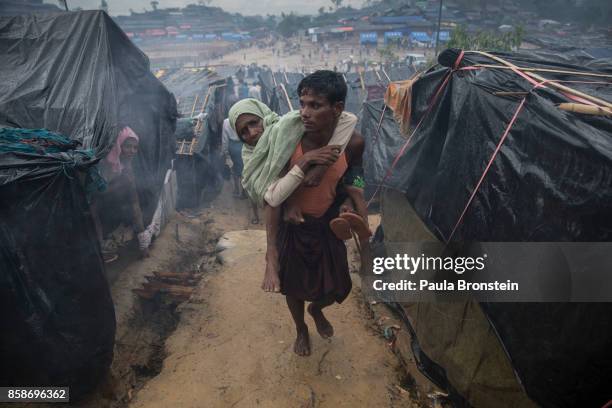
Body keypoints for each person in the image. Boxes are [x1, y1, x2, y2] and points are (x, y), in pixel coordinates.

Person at [231, 71, 370, 357]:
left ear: (338, 108)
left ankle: (317, 310)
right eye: (302, 103)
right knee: (292, 287)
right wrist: (289, 206)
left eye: (315, 105)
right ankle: (300, 329)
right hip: (292, 227)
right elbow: (274, 194)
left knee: (338, 286)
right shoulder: (286, 140)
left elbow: (355, 177)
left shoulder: (354, 142)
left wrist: (347, 200)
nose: (304, 112)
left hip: (326, 223)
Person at [93, 126, 150, 262]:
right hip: (92, 202)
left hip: (108, 203)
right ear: (119, 145)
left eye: (135, 147)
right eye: (128, 146)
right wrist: (121, 184)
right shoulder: (107, 164)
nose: (132, 151)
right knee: (93, 209)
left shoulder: (127, 167)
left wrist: (143, 243)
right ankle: (100, 249)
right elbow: (97, 193)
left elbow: (134, 202)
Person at [221, 118, 244, 198]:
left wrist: (225, 152)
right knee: (244, 169)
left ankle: (237, 190)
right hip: (242, 145)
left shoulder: (226, 122)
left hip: (232, 146)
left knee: (234, 169)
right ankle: (244, 192)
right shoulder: (242, 118)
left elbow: (224, 139)